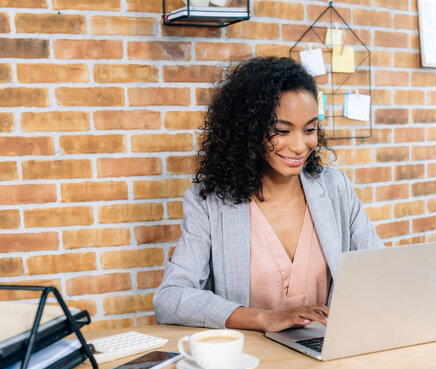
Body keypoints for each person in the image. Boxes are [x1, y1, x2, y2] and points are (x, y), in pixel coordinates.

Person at [153, 57, 383, 333]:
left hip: (326, 354)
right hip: (248, 361)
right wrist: (264, 318)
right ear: (249, 131)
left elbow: (380, 269)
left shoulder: (336, 188)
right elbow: (170, 297)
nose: (300, 146)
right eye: (282, 131)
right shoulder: (210, 204)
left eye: (310, 129)